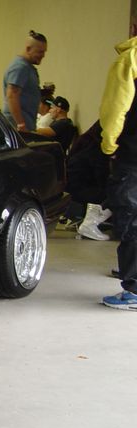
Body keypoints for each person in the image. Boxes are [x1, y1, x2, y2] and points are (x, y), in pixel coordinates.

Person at [100, 21, 137, 310]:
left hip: (134, 155)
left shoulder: (130, 59)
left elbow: (115, 109)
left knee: (131, 218)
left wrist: (109, 146)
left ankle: (134, 290)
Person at [2, 30, 47, 132]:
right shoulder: (20, 67)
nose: (43, 55)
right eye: (40, 52)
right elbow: (12, 95)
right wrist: (21, 124)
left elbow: (24, 92)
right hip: (18, 127)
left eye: (44, 52)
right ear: (28, 49)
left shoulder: (27, 67)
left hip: (25, 124)